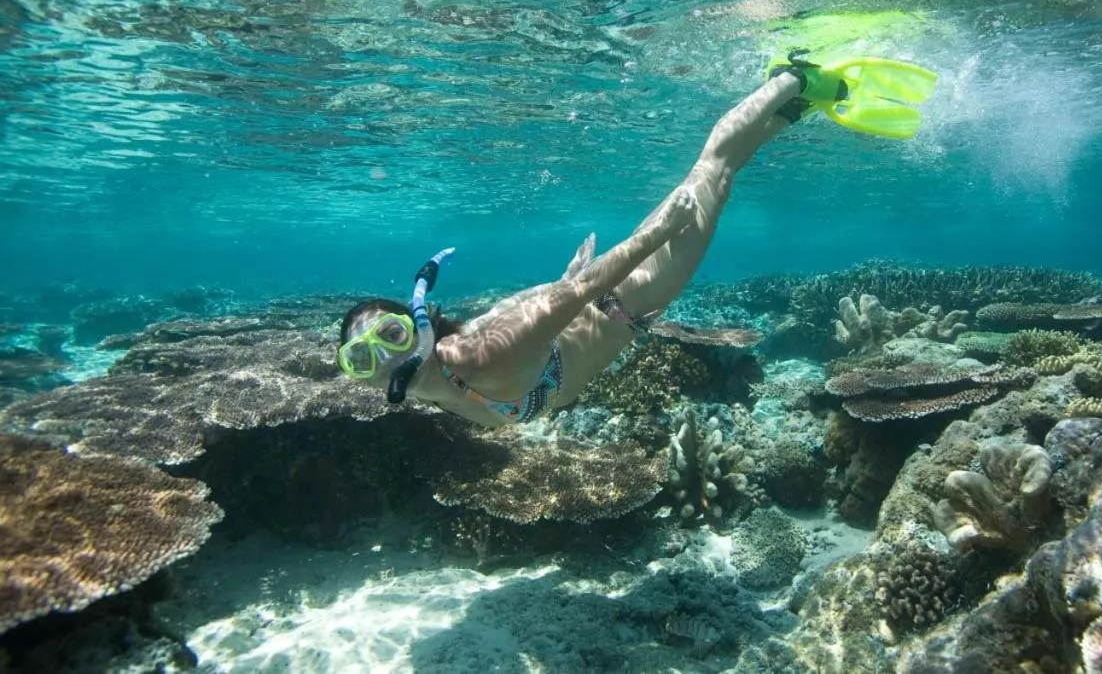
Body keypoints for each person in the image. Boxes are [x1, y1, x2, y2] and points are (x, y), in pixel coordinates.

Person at [336, 54, 938, 428]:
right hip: (608, 297)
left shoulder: (479, 358)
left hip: (633, 293)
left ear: (416, 328)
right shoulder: (440, 383)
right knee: (720, 173)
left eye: (388, 336)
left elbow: (569, 304)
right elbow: (545, 307)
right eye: (362, 358)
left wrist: (659, 234)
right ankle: (795, 105)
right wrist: (567, 280)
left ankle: (794, 76)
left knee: (713, 168)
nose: (382, 360)